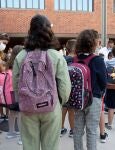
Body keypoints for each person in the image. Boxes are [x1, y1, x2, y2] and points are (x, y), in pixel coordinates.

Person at [13, 14, 71, 150]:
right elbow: (64, 85)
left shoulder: (21, 56)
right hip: (51, 106)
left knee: (29, 145)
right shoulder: (56, 55)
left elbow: (16, 84)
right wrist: (59, 102)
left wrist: (22, 101)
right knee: (51, 146)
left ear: (30, 31)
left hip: (27, 108)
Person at [73, 29, 107, 150]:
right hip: (93, 99)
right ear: (93, 43)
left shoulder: (74, 59)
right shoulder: (98, 60)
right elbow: (104, 82)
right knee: (92, 132)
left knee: (77, 131)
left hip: (77, 100)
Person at [6, 45, 24, 145]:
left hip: (9, 93)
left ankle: (11, 132)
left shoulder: (9, 64)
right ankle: (22, 137)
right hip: (17, 92)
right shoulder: (20, 63)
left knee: (12, 113)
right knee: (20, 115)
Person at [61, 39, 76, 137]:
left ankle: (61, 129)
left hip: (63, 87)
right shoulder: (77, 60)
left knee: (63, 109)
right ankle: (72, 130)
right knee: (71, 110)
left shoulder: (62, 58)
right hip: (74, 88)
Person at [0, 33, 9, 123]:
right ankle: (2, 115)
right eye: (3, 43)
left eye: (6, 44)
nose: (4, 45)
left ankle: (5, 115)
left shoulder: (2, 54)